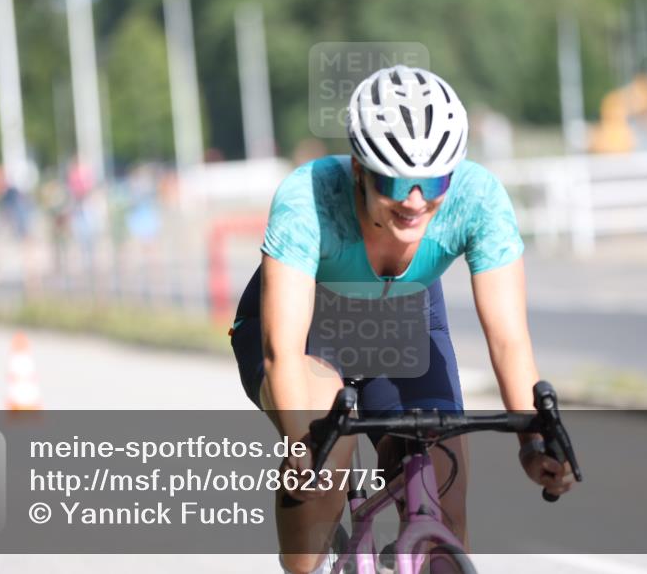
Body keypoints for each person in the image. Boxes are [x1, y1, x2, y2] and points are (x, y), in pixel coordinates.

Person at [230, 66, 574, 574]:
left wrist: (535, 440)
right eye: (394, 180)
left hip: (403, 325)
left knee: (444, 505)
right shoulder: (308, 197)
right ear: (357, 170)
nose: (416, 201)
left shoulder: (478, 199)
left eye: (432, 180)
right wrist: (302, 450)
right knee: (325, 452)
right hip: (303, 337)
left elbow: (508, 341)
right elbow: (283, 348)